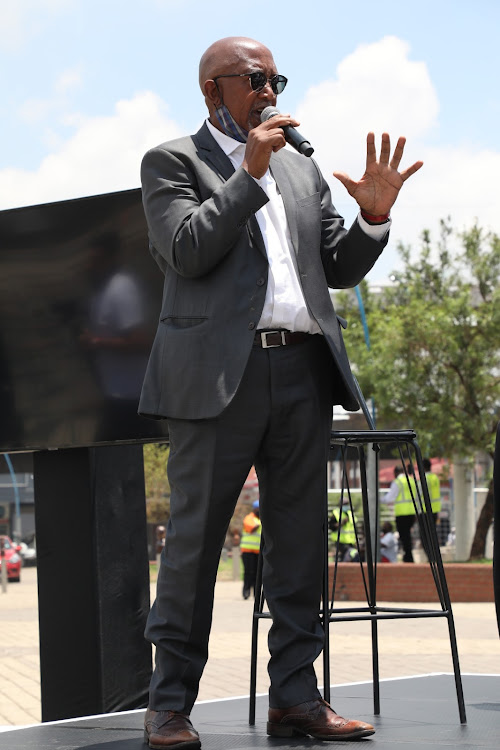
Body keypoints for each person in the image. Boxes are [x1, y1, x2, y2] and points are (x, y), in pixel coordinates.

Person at [139, 36, 423, 748]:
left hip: (302, 374)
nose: (271, 91)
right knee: (195, 550)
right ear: (214, 91)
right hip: (216, 382)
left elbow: (337, 264)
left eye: (277, 79)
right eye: (255, 79)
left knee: (298, 550)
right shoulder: (174, 161)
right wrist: (247, 175)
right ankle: (169, 704)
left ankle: (296, 697)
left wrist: (374, 219)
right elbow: (186, 249)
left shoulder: (301, 168)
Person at [383, 465, 417, 563]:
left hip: (402, 514)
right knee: (408, 536)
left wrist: (378, 499)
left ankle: (408, 557)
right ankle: (408, 556)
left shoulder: (397, 482)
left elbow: (389, 498)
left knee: (404, 536)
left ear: (396, 473)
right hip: (412, 513)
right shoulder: (411, 480)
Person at [240, 499, 262, 599]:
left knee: (258, 574)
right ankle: (246, 591)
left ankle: (256, 593)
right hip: (247, 550)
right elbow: (252, 529)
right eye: (258, 508)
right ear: (255, 509)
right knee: (249, 571)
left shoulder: (260, 519)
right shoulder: (249, 518)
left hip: (258, 551)